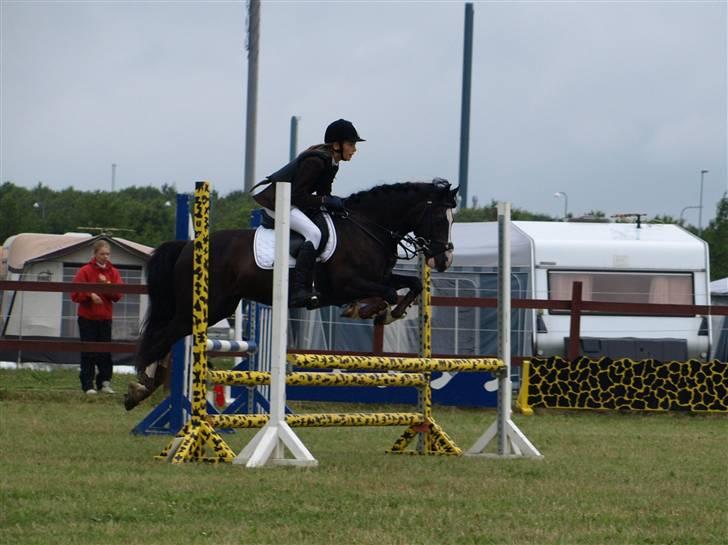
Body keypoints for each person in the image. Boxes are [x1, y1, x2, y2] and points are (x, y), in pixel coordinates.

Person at [251, 118, 365, 309]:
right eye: (351, 144)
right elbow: (297, 196)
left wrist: (336, 204)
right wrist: (325, 201)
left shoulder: (332, 162)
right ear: (337, 145)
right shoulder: (316, 161)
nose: (354, 149)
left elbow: (322, 193)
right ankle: (299, 289)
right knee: (314, 233)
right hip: (278, 203)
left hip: (291, 201)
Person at [71, 240, 123, 395]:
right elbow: (75, 294)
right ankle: (88, 385)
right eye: (102, 254)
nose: (105, 257)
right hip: (87, 318)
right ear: (95, 254)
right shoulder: (85, 271)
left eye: (107, 254)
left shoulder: (113, 272)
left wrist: (106, 285)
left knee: (105, 352)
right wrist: (90, 294)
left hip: (105, 317)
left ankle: (104, 382)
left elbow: (118, 294)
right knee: (88, 352)